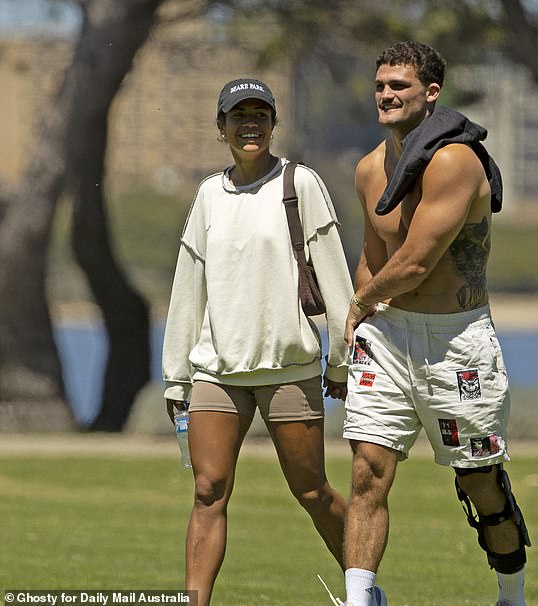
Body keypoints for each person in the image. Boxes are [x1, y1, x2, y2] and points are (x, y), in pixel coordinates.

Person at [340, 42, 531, 606]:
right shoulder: (369, 169)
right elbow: (373, 258)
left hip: (457, 342)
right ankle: (359, 598)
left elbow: (416, 261)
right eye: (379, 85)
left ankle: (511, 595)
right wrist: (357, 320)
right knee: (366, 471)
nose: (386, 95)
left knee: (481, 485)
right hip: (390, 334)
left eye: (398, 85)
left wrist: (358, 303)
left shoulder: (455, 161)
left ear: (430, 93)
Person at [162, 78, 353, 605]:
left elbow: (335, 278)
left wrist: (341, 360)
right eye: (238, 115)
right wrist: (177, 373)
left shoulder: (302, 184)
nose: (250, 124)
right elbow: (188, 286)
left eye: (260, 114)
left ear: (273, 123)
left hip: (289, 371)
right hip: (217, 375)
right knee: (207, 492)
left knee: (312, 490)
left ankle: (363, 589)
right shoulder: (207, 194)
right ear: (219, 126)